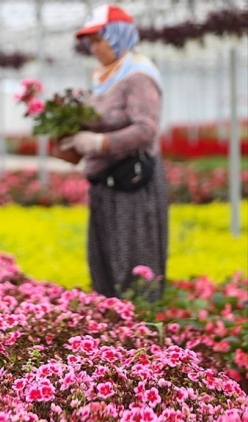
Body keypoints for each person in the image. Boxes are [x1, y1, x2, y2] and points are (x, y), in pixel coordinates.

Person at [58, 3, 168, 301]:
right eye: (91, 42)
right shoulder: (108, 76)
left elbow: (146, 128)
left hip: (131, 184)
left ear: (118, 37)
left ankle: (140, 329)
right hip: (106, 184)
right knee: (106, 262)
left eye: (99, 40)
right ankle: (113, 327)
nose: (94, 48)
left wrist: (99, 144)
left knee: (132, 260)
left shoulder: (138, 76)